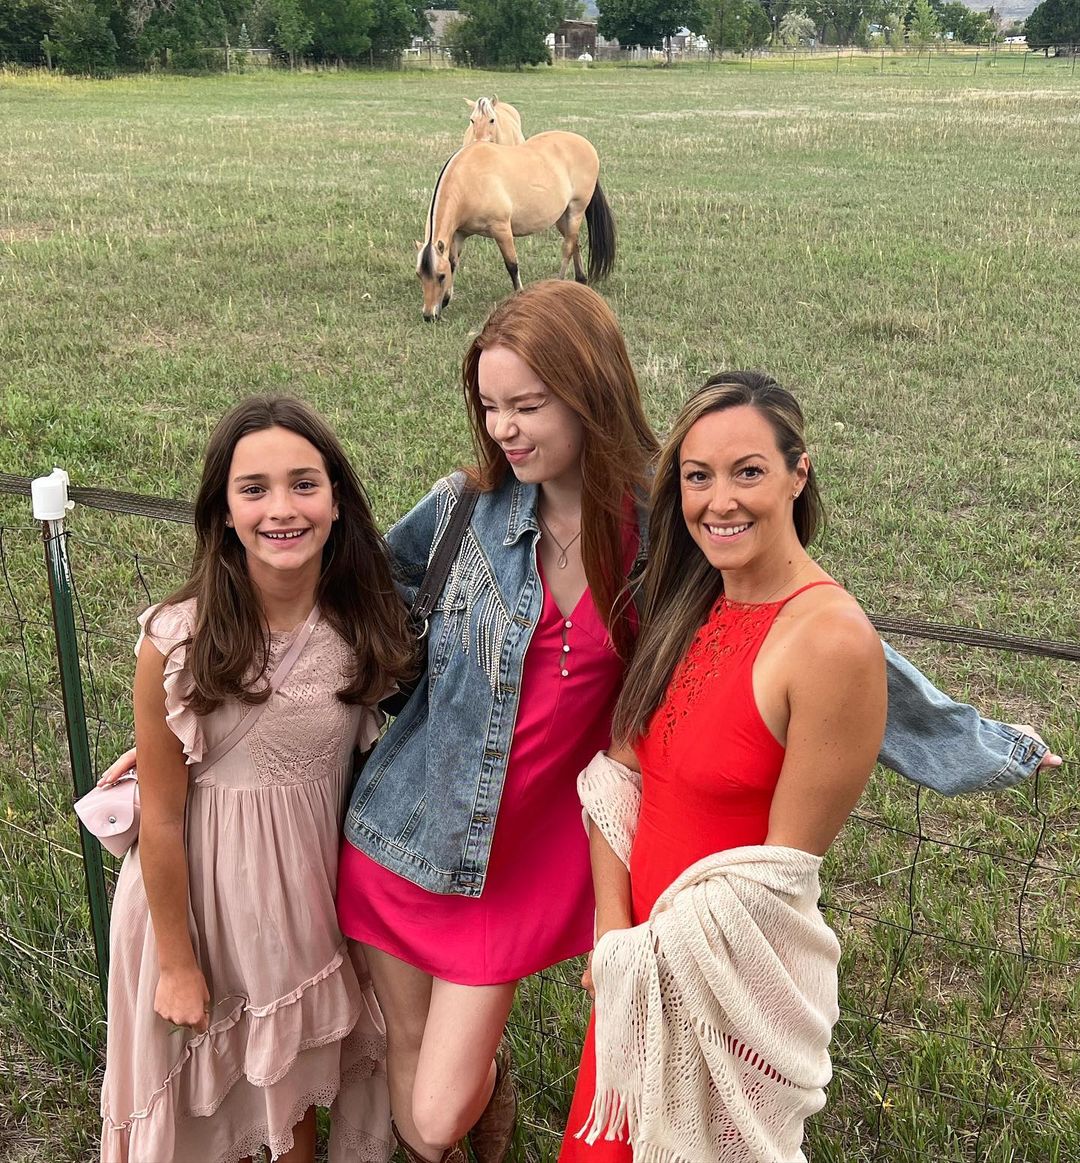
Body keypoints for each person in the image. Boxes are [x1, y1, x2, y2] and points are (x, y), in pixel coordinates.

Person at [100, 287, 1060, 1161]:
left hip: (522, 862)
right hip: (401, 832)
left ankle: (478, 1110)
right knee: (411, 1094)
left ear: (589, 390)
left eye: (528, 403)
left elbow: (819, 631)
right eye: (489, 405)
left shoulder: (662, 528)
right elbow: (343, 610)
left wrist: (983, 744)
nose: (504, 428)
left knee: (435, 1109)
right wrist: (203, 721)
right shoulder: (462, 510)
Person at [558, 371, 880, 1160]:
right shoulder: (690, 603)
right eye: (698, 476)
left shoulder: (831, 641)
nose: (719, 501)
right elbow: (617, 779)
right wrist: (613, 938)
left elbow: (772, 886)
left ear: (799, 473)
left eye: (748, 471)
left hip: (722, 990)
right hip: (636, 974)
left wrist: (643, 959)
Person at [98, 397, 415, 1163]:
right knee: (210, 1118)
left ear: (336, 500)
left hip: (299, 917)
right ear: (223, 511)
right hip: (198, 916)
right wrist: (177, 963)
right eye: (254, 488)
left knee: (288, 1109)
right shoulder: (179, 640)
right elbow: (162, 819)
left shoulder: (360, 626)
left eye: (304, 484)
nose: (282, 508)